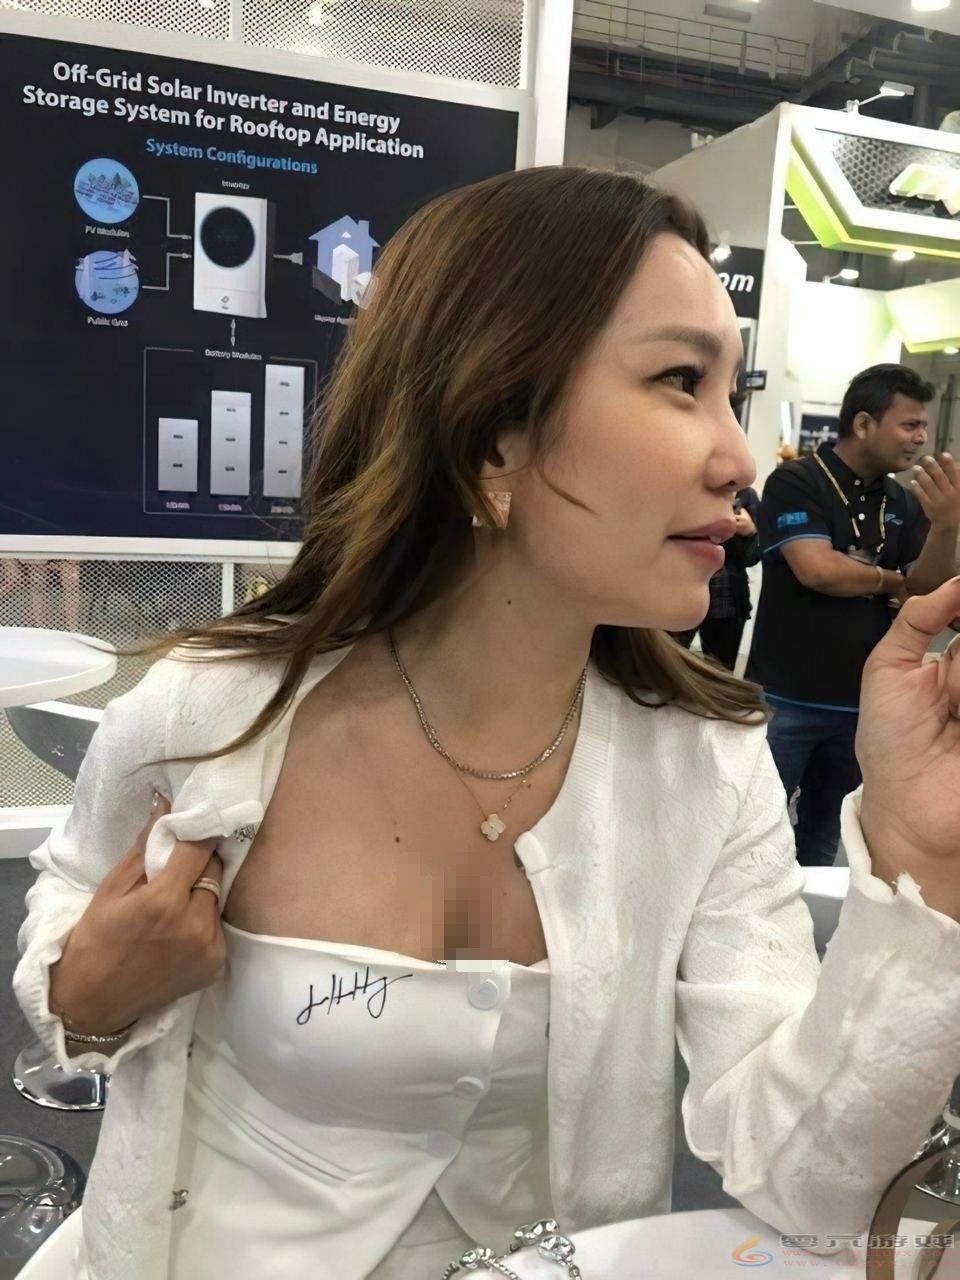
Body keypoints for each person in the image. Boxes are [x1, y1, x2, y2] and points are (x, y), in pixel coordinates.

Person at [14, 171, 960, 1280]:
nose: (739, 458)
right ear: (493, 441)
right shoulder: (218, 709)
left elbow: (808, 1184)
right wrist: (86, 997)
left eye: (730, 390)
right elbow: (72, 899)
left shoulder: (706, 767)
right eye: (680, 381)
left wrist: (923, 864)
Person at [746, 364, 959, 866]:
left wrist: (947, 528)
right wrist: (891, 580)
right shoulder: (797, 481)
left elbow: (924, 589)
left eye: (924, 426)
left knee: (827, 834)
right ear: (864, 423)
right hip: (785, 697)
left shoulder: (902, 501)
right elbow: (818, 570)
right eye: (910, 424)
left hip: (863, 704)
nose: (921, 437)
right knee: (753, 830)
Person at [674, 485, 760, 670]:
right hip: (681, 591)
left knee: (721, 670)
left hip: (726, 599)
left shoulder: (745, 496)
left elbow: (753, 557)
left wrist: (750, 531)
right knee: (666, 664)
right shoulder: (686, 489)